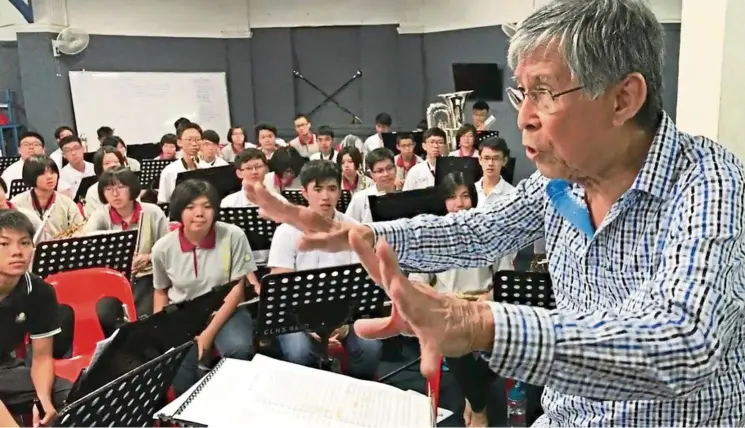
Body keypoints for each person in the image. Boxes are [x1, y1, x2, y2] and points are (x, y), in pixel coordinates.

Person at [244, 0, 745, 425]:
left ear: (623, 98)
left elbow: (683, 344)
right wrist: (356, 232)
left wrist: (479, 324)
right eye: (521, 94)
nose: (523, 117)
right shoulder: (560, 179)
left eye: (544, 93)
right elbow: (478, 231)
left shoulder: (709, 181)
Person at [408, 172, 511, 427]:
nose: (460, 203)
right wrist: (441, 301)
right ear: (443, 202)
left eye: (465, 196)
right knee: (454, 343)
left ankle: (471, 397)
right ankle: (479, 408)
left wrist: (488, 297)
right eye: (452, 198)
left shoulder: (490, 232)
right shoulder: (432, 234)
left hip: (485, 305)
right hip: (447, 307)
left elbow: (505, 276)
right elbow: (417, 283)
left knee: (508, 347)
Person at [267, 160, 381, 380]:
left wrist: (345, 324)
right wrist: (310, 326)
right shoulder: (286, 231)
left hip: (345, 313)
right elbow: (281, 287)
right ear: (304, 193)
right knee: (299, 353)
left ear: (340, 191)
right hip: (299, 315)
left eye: (331, 189)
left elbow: (362, 282)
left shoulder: (353, 229)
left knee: (370, 350)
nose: (325, 197)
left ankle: (355, 391)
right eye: (317, 190)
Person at [151, 180, 257, 396]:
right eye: (190, 207)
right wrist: (160, 331)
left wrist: (208, 334)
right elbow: (161, 291)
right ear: (179, 211)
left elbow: (237, 288)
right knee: (182, 379)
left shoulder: (233, 235)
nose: (199, 213)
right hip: (184, 314)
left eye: (207, 207)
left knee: (238, 348)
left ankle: (231, 404)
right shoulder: (162, 248)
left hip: (228, 311)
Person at [0, 210, 72, 426]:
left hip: (4, 369)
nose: (17, 252)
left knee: (68, 395)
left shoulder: (39, 291)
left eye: (24, 243)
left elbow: (41, 357)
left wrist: (44, 401)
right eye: (4, 244)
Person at [84, 167, 169, 317]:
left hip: (148, 276)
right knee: (104, 315)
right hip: (112, 280)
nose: (115, 194)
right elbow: (90, 255)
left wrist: (149, 257)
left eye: (121, 187)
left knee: (144, 315)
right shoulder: (100, 217)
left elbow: (168, 248)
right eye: (109, 189)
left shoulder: (153, 212)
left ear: (132, 188)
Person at [12, 155, 84, 242]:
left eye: (53, 172)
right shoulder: (16, 203)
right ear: (30, 176)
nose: (50, 177)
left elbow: (80, 231)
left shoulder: (67, 203)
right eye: (43, 173)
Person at [345, 148, 397, 223]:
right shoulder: (360, 198)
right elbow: (348, 226)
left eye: (389, 168)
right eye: (380, 171)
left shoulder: (406, 195)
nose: (386, 174)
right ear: (372, 174)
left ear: (395, 169)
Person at [157, 122, 202, 203]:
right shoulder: (169, 171)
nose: (194, 143)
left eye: (198, 140)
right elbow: (163, 201)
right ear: (179, 142)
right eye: (189, 139)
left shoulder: (208, 167)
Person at [83, 146, 126, 217]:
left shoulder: (130, 184)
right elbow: (96, 219)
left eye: (116, 162)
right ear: (99, 167)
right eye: (107, 163)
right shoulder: (93, 191)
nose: (113, 165)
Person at [475, 137, 514, 207]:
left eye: (496, 158)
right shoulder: (471, 190)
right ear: (480, 160)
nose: (490, 163)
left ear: (504, 161)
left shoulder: (512, 194)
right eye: (486, 158)